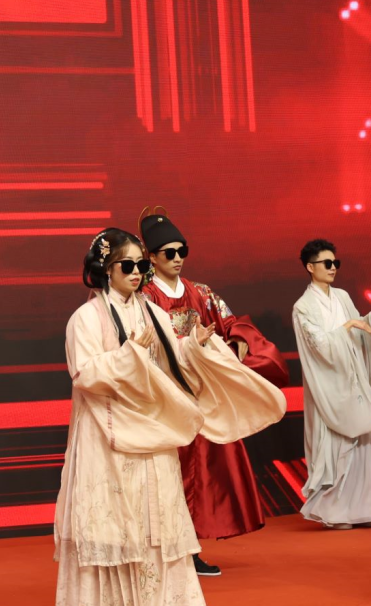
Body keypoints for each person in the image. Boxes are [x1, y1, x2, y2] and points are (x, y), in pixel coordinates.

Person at [54, 228, 286, 606]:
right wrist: (129, 355)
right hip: (108, 436)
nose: (136, 273)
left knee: (159, 522)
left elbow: (172, 358)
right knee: (116, 526)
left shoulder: (152, 311)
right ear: (105, 269)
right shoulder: (86, 318)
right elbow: (85, 374)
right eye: (127, 266)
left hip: (154, 431)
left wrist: (193, 345)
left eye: (140, 266)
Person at [139, 209, 288, 575]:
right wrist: (187, 346)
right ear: (152, 257)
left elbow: (231, 322)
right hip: (165, 397)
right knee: (167, 475)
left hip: (202, 397)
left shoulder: (201, 293)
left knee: (202, 476)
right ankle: (161, 551)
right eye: (169, 253)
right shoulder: (144, 297)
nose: (178, 258)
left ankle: (190, 549)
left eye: (182, 251)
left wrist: (236, 340)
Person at [292, 240, 371, 530]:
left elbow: (357, 326)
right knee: (336, 446)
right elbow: (319, 346)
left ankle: (367, 510)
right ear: (310, 267)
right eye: (327, 263)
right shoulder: (303, 307)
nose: (333, 268)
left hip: (354, 379)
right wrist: (348, 327)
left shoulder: (342, 296)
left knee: (365, 443)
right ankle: (336, 513)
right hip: (328, 385)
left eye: (336, 263)